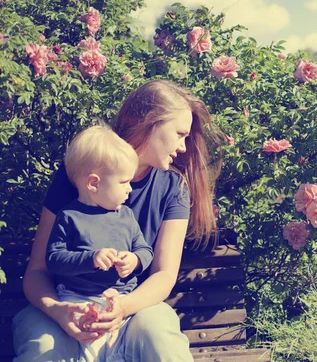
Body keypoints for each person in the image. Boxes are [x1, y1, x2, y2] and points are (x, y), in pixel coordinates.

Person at [12, 79, 223, 362]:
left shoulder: (173, 187)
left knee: (160, 336)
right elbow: (37, 271)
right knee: (44, 348)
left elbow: (164, 275)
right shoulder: (79, 176)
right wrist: (59, 310)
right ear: (150, 121)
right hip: (64, 306)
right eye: (179, 134)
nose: (184, 147)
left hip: (133, 310)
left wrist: (122, 308)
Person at [45, 125, 154, 361]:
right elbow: (54, 259)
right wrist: (90, 259)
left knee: (121, 351)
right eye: (124, 182)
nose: (130, 189)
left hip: (122, 297)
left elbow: (145, 250)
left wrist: (135, 261)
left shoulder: (126, 216)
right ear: (94, 183)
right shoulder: (69, 217)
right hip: (78, 298)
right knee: (90, 349)